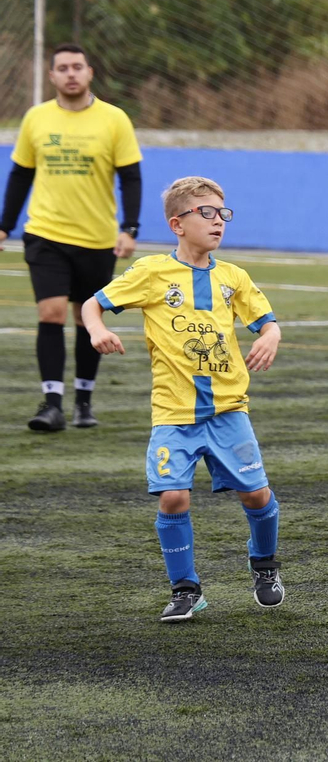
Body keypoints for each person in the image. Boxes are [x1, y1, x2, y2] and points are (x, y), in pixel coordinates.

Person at [79, 176, 284, 623]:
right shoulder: (152, 273)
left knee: (256, 495)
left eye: (223, 214)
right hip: (173, 413)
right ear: (177, 223)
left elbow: (267, 322)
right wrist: (98, 329)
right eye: (206, 213)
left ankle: (264, 566)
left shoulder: (233, 278)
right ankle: (186, 589)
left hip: (229, 411)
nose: (218, 222)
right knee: (172, 496)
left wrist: (271, 336)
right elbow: (91, 305)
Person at [1, 43, 143, 431]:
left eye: (77, 67)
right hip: (45, 234)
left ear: (90, 72)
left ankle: (83, 400)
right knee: (49, 312)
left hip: (97, 239)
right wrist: (4, 224)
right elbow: (20, 175)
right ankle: (51, 403)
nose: (70, 74)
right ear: (52, 76)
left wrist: (130, 228)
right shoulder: (36, 118)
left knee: (87, 318)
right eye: (62, 68)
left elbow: (130, 176)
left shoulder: (114, 120)